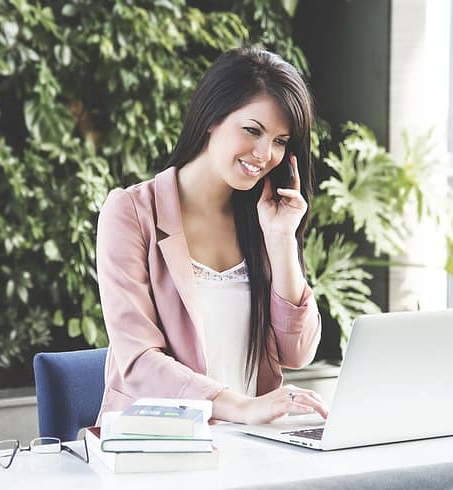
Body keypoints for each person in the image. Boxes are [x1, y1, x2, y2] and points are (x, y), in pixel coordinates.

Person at [96, 46, 328, 425]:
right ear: (211, 118)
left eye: (280, 141)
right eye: (252, 130)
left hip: (252, 449)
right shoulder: (132, 213)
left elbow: (298, 352)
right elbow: (137, 361)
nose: (264, 153)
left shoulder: (264, 218)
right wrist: (241, 407)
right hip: (159, 445)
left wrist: (282, 241)